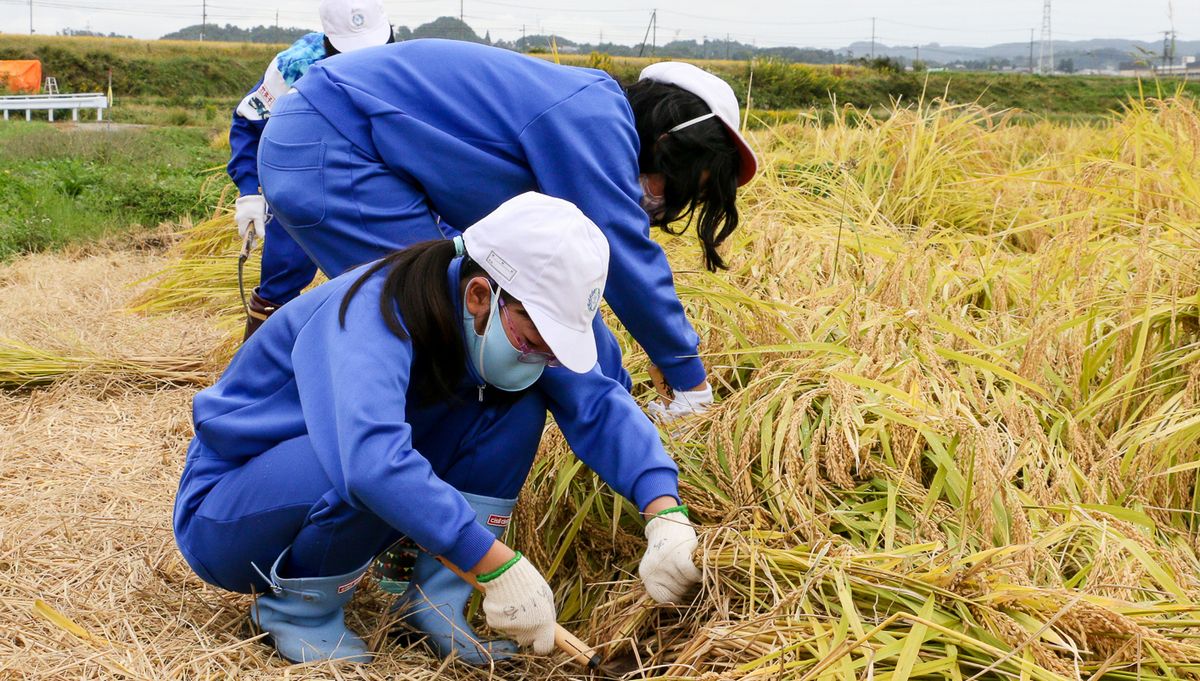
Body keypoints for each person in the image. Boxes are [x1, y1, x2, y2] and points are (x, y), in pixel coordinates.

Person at [172, 193, 702, 667]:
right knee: (365, 463)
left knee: (517, 402)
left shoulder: (524, 316)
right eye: (536, 339)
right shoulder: (370, 310)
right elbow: (370, 463)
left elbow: (602, 404)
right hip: (231, 509)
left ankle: (436, 604)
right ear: (479, 296)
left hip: (338, 470)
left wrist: (664, 512)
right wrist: (496, 566)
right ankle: (298, 612)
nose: (546, 356)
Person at [257, 40, 758, 415]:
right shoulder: (595, 118)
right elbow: (625, 256)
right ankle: (393, 501)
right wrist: (687, 376)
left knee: (469, 318)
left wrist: (620, 384)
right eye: (676, 182)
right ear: (667, 141)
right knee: (443, 323)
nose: (660, 197)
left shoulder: (581, 111)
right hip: (334, 143)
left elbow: (560, 291)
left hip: (332, 141)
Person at [227, 0, 393, 339]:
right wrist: (248, 192)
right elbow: (248, 122)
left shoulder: (404, 64)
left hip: (376, 182)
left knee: (385, 279)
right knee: (282, 273)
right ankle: (259, 372)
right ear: (329, 40)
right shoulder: (295, 65)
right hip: (301, 178)